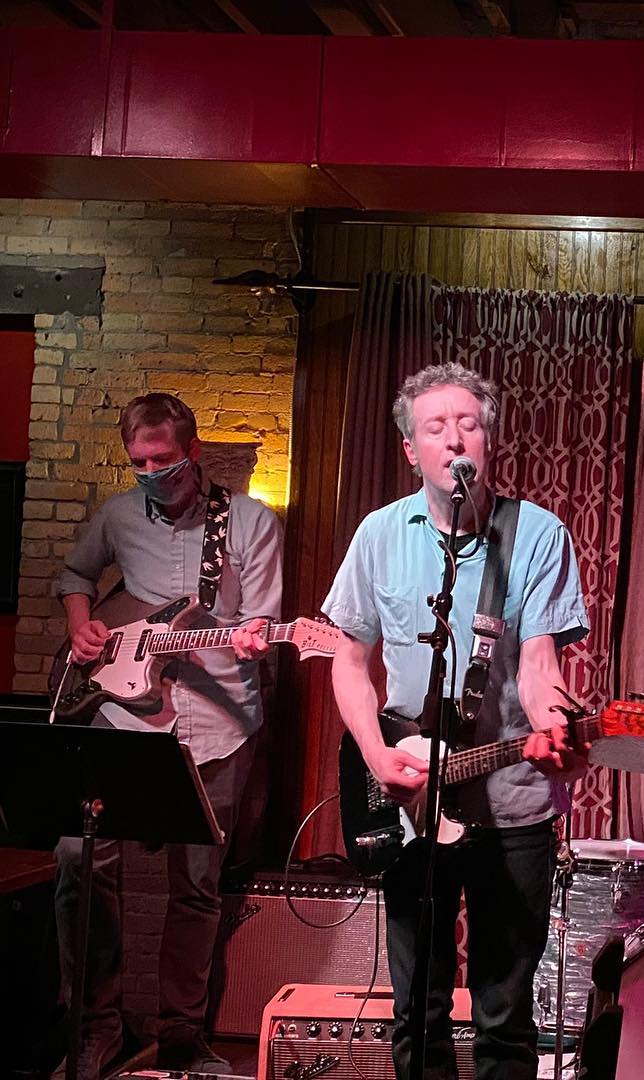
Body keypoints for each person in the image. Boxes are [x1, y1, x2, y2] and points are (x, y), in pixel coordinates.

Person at [322, 362, 589, 1080]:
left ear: (489, 441)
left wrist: (556, 726)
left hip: (513, 800)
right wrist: (375, 755)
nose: (454, 438)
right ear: (411, 449)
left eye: (468, 424)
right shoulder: (379, 534)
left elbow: (539, 664)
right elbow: (349, 661)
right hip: (409, 793)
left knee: (506, 1011)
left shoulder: (537, 534)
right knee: (417, 1005)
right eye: (435, 427)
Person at [54, 393, 282, 1079]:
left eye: (163, 460)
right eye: (139, 462)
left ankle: (181, 1034)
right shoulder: (119, 516)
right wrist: (81, 627)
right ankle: (96, 1026)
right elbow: (75, 573)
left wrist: (253, 639)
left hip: (218, 725)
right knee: (78, 858)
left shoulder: (251, 522)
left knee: (198, 885)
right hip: (125, 716)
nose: (151, 473)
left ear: (193, 451)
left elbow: (261, 622)